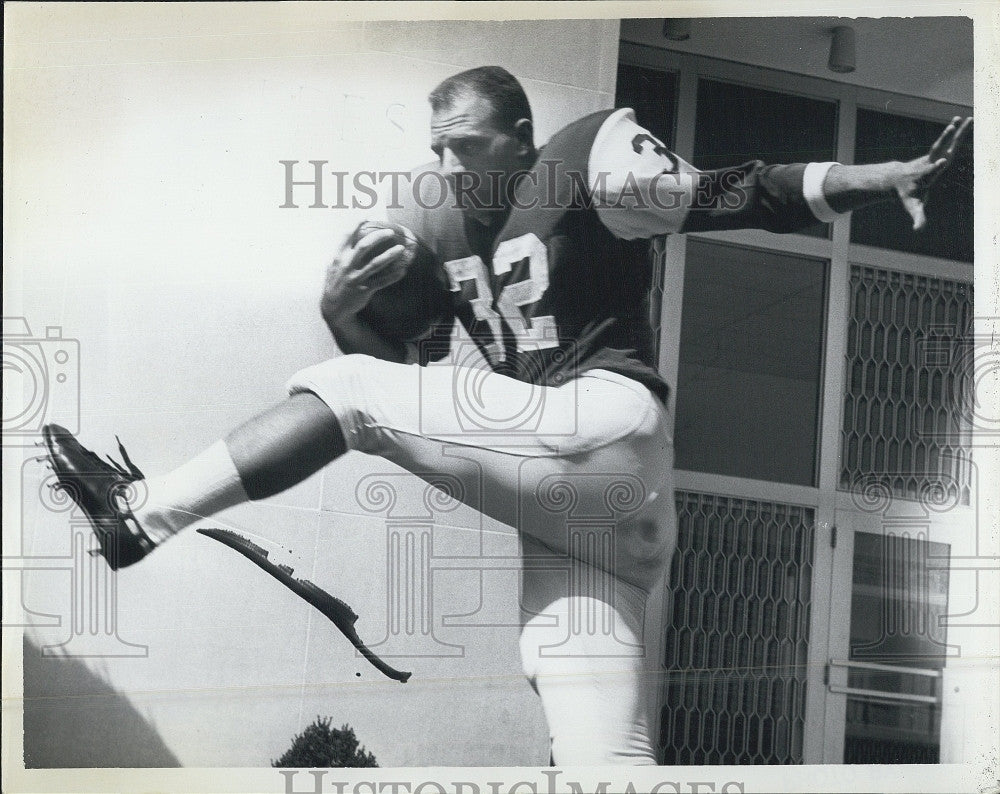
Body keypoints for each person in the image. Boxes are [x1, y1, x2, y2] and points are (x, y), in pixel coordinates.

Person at [42, 66, 971, 765]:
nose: (446, 163)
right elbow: (401, 386)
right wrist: (339, 311)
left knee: (354, 399)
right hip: (599, 521)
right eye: (437, 145)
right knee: (605, 759)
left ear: (522, 138)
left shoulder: (582, 161)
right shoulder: (442, 230)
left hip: (603, 426)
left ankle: (141, 514)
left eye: (468, 144)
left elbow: (739, 189)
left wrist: (877, 174)